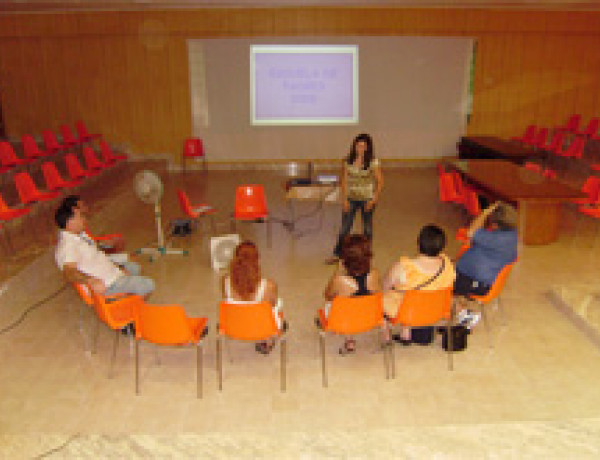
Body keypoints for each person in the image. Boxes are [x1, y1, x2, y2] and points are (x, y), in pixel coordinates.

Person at [54, 204, 155, 298]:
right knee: (148, 285)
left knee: (134, 267)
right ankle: (125, 303)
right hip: (108, 284)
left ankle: (128, 290)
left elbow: (98, 256)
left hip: (110, 273)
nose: (84, 219)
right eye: (80, 217)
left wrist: (118, 268)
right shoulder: (68, 246)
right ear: (69, 222)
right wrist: (91, 281)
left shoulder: (79, 235)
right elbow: (69, 272)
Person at [382, 224, 456, 344]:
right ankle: (407, 332)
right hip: (436, 309)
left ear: (418, 244)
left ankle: (388, 337)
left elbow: (386, 286)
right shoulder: (448, 264)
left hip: (408, 311)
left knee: (384, 298)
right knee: (414, 296)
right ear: (442, 247)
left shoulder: (404, 267)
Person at [328, 133, 383, 264]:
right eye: (358, 146)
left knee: (367, 229)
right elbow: (344, 181)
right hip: (351, 198)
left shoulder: (373, 162)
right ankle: (338, 254)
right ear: (354, 146)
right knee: (345, 228)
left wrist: (374, 199)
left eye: (364, 146)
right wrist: (345, 199)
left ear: (368, 148)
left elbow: (380, 182)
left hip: (367, 198)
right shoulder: (347, 161)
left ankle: (365, 254)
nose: (360, 149)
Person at [221, 241, 283, 354]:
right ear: (257, 260)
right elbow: (272, 305)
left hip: (234, 326)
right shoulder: (269, 285)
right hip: (261, 327)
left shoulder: (225, 281)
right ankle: (267, 341)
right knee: (277, 305)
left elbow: (228, 300)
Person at [323, 234, 381, 354]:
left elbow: (327, 296)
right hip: (370, 317)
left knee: (337, 304)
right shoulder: (375, 274)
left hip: (344, 320)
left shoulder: (339, 280)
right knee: (359, 303)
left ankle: (349, 341)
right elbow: (377, 293)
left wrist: (337, 272)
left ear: (345, 258)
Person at [454, 201, 518, 297]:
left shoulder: (495, 239)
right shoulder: (512, 234)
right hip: (481, 276)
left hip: (476, 282)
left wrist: (485, 212)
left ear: (495, 223)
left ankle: (457, 304)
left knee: (441, 280)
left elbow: (471, 232)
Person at [60, 194, 125, 254]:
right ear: (74, 209)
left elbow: (90, 240)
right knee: (116, 240)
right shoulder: (76, 226)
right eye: (83, 206)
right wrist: (103, 242)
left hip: (93, 246)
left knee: (116, 238)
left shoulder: (79, 221)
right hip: (91, 252)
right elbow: (88, 244)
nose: (86, 207)